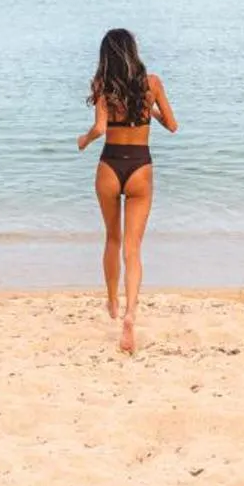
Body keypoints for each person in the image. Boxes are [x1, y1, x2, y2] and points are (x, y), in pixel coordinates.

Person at [75, 28, 178, 354]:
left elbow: (101, 128)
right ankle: (131, 313)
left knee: (112, 238)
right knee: (133, 248)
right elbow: (173, 126)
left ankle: (111, 302)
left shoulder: (103, 87)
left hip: (109, 166)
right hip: (140, 169)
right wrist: (150, 110)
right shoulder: (153, 84)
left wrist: (85, 140)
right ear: (133, 52)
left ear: (107, 57)